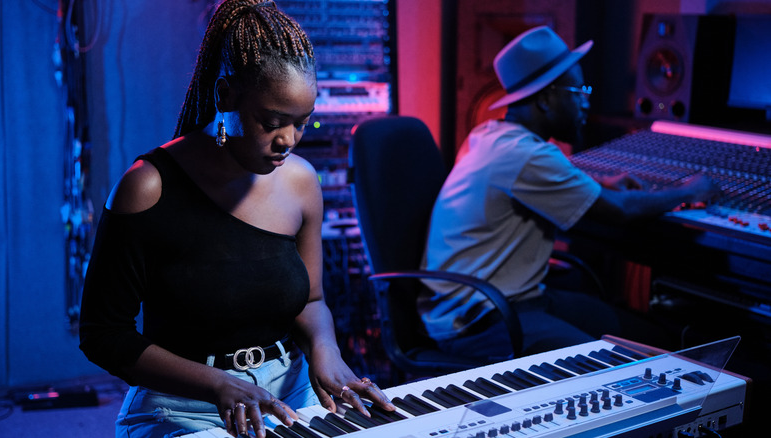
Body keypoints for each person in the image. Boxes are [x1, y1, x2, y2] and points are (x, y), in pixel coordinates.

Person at [78, 1, 394, 437]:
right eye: (273, 122)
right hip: (184, 405)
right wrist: (218, 384)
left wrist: (327, 353)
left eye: (302, 124)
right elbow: (103, 334)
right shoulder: (148, 187)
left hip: (290, 391)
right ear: (224, 96)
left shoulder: (301, 182)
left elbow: (312, 300)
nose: (288, 141)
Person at [419, 26, 721, 363]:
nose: (585, 100)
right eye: (577, 90)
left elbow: (544, 177)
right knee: (620, 366)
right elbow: (621, 211)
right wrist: (689, 190)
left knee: (649, 337)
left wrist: (602, 183)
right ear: (547, 99)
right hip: (480, 321)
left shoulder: (492, 135)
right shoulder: (527, 156)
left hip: (507, 300)